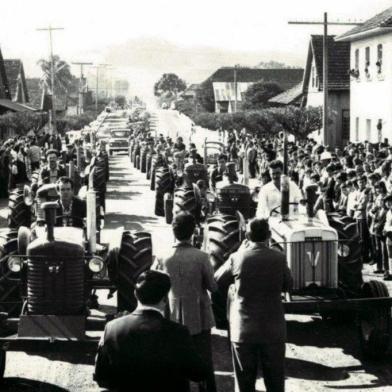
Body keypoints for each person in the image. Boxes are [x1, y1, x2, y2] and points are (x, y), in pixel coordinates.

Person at [94, 270, 208, 392]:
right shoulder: (178, 332)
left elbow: (101, 377)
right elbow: (198, 373)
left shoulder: (112, 328)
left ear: (135, 294)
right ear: (165, 298)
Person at [215, 218, 293, 392]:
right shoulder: (279, 258)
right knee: (275, 384)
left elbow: (218, 280)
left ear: (247, 235)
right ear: (270, 235)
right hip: (273, 330)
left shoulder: (237, 257)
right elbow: (289, 285)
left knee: (244, 384)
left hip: (243, 330)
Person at [153, 212, 217, 392]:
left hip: (171, 317)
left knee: (174, 361)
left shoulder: (163, 257)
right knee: (204, 361)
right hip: (199, 317)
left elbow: (152, 285)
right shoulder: (202, 257)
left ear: (173, 231)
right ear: (193, 232)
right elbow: (213, 287)